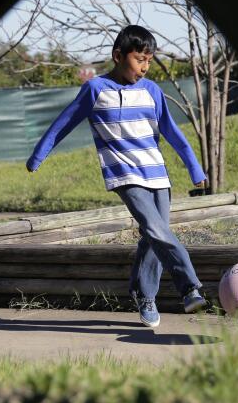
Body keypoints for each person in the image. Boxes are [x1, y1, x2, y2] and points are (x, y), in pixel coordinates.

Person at [26, 25, 210, 326]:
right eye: (139, 59)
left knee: (154, 236)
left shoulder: (152, 91)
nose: (145, 67)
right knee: (155, 228)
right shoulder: (96, 89)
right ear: (118, 56)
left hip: (157, 173)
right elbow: (64, 123)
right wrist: (38, 155)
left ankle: (143, 294)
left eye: (149, 60)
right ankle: (189, 287)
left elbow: (171, 132)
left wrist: (194, 168)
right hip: (124, 175)